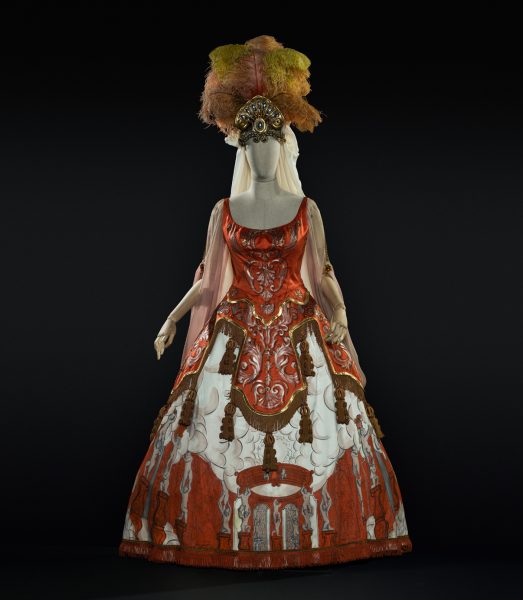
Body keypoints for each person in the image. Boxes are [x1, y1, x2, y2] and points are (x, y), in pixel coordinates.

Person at [118, 35, 412, 569]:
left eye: (269, 142)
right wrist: (171, 319)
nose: (260, 153)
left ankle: (322, 533)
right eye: (251, 144)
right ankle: (217, 532)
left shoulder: (305, 207)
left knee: (324, 419)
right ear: (242, 149)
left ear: (283, 147)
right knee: (209, 424)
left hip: (300, 328)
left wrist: (341, 314)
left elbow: (324, 273)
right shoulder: (224, 210)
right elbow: (209, 281)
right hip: (234, 328)